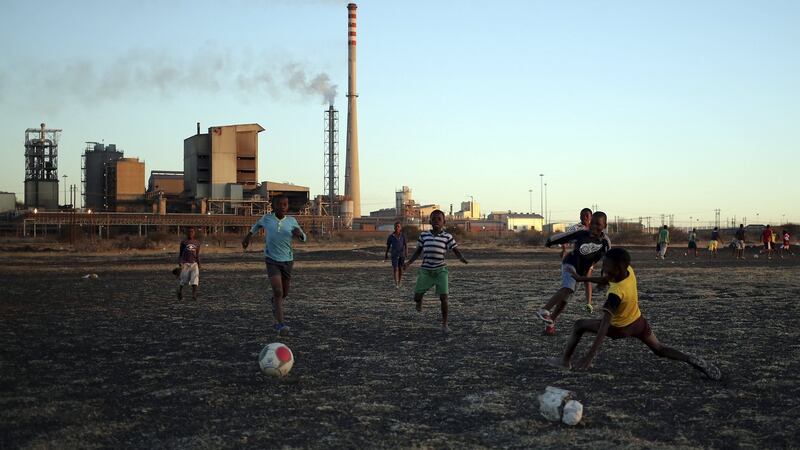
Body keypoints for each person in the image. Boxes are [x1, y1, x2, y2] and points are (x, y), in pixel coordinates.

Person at [547, 248, 722, 381]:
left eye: (607, 266)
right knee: (659, 349)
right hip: (638, 322)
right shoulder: (628, 271)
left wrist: (590, 355)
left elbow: (605, 326)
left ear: (618, 267)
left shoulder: (614, 294)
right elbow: (607, 279)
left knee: (579, 325)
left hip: (619, 328)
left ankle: (565, 362)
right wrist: (581, 278)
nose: (603, 268)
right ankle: (691, 359)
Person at [535, 211, 610, 336]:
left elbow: (608, 259)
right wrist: (550, 241)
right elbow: (565, 236)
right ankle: (544, 310)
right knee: (568, 288)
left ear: (604, 226)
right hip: (569, 264)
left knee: (565, 300)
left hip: (581, 272)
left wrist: (604, 277)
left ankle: (551, 322)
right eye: (592, 224)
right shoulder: (581, 234)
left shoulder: (605, 242)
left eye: (598, 224)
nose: (594, 227)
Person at [242, 195, 307, 337]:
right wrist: (248, 236)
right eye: (280, 204)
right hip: (271, 259)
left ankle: (274, 303)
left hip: (287, 261)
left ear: (287, 206)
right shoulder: (267, 218)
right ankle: (280, 324)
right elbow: (257, 225)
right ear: (273, 206)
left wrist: (299, 234)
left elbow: (304, 238)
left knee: (284, 293)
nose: (283, 207)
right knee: (278, 291)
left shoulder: (291, 221)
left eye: (285, 204)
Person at [404, 210, 468, 334]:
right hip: (426, 271)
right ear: (430, 221)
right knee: (416, 297)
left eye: (439, 219)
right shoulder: (424, 235)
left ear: (443, 222)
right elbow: (418, 251)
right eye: (434, 219)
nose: (436, 221)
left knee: (444, 297)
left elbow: (455, 249)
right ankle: (420, 300)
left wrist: (461, 258)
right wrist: (408, 263)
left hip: (440, 270)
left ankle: (444, 324)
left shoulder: (447, 237)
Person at [560, 208, 595, 309]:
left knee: (587, 279)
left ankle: (588, 303)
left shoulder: (593, 228)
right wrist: (564, 249)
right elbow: (564, 238)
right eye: (582, 215)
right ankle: (564, 299)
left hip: (589, 259)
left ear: (590, 217)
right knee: (573, 284)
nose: (584, 217)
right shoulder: (576, 228)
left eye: (586, 215)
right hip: (576, 260)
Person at [177, 226, 201, 301]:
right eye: (189, 232)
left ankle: (194, 295)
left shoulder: (197, 243)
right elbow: (180, 254)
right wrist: (180, 262)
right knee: (183, 280)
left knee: (195, 279)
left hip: (194, 263)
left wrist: (199, 263)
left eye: (192, 232)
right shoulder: (184, 242)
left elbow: (197, 254)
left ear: (194, 233)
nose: (190, 233)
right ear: (187, 233)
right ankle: (180, 292)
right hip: (185, 263)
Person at [384, 222, 408, 288]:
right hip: (394, 254)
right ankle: (396, 283)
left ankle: (400, 281)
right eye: (396, 226)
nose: (397, 228)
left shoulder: (403, 235)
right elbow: (388, 246)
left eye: (398, 226)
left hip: (401, 254)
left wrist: (406, 252)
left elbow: (405, 244)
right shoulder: (391, 236)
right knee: (395, 268)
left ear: (400, 228)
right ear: (394, 227)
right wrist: (386, 254)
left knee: (400, 268)